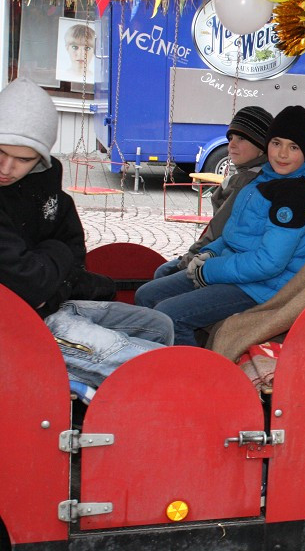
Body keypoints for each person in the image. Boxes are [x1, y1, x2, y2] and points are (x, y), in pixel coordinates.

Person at [0, 78, 174, 389]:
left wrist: (52, 283)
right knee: (159, 365)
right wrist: (56, 254)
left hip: (52, 305)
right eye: (0, 151)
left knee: (160, 325)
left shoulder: (53, 197)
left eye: (23, 159)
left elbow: (72, 264)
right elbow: (30, 282)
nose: (7, 167)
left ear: (41, 159)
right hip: (14, 328)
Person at [135, 105, 305, 346]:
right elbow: (234, 233)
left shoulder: (295, 194)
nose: (282, 154)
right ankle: (150, 359)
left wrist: (207, 270)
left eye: (294, 147)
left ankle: (194, 377)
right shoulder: (269, 176)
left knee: (172, 315)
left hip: (262, 287)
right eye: (276, 143)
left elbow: (269, 263)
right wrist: (210, 252)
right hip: (238, 269)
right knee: (147, 294)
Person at [154, 106, 273, 278]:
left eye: (241, 139)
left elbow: (218, 230)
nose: (232, 144)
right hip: (226, 256)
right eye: (231, 138)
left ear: (261, 145)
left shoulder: (246, 183)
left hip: (227, 262)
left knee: (160, 277)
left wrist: (184, 262)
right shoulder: (252, 175)